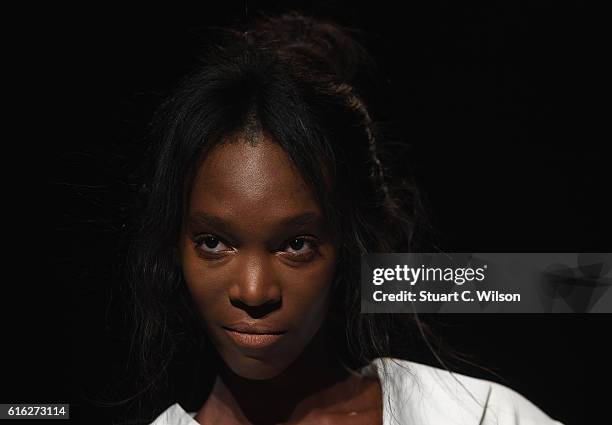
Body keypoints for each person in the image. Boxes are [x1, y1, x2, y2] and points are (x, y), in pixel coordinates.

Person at [126, 12, 564, 425]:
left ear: (349, 245)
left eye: (296, 244)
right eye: (214, 243)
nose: (254, 292)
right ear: (173, 245)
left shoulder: (478, 416)